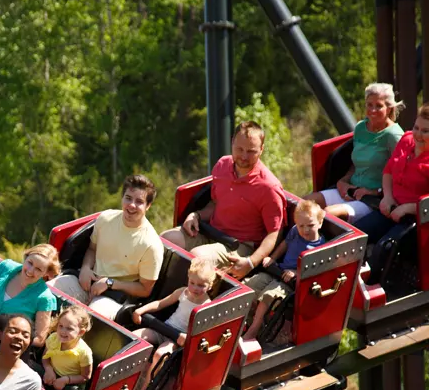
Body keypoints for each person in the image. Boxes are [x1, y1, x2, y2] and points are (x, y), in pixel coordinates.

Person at [161, 121, 288, 281]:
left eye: (251, 151)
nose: (243, 156)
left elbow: (275, 233)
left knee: (197, 259)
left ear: (261, 150)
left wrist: (251, 262)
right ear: (232, 142)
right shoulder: (222, 166)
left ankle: (180, 301)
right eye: (239, 149)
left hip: (239, 246)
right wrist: (196, 215)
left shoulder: (269, 187)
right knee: (165, 240)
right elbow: (215, 204)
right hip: (212, 232)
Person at [50, 175, 164, 320]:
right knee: (47, 292)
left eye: (139, 202)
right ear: (122, 198)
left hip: (115, 296)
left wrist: (110, 283)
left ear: (148, 206)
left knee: (86, 320)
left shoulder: (151, 245)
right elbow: (92, 249)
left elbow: (145, 289)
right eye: (128, 198)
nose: (132, 205)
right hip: (87, 282)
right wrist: (85, 268)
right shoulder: (106, 218)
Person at [353, 104, 429, 249]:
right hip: (392, 207)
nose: (417, 134)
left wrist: (407, 208)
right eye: (416, 128)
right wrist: (387, 197)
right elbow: (388, 171)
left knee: (385, 248)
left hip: (417, 219)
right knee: (356, 235)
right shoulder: (407, 141)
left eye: (425, 131)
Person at [306, 83, 404, 220]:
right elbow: (356, 163)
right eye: (369, 105)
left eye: (378, 106)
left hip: (372, 199)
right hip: (351, 189)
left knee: (326, 215)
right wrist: (343, 181)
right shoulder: (361, 128)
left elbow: (401, 176)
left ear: (389, 109)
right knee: (305, 205)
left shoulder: (394, 136)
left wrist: (374, 192)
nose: (373, 110)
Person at [130, 258, 218, 390]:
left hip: (176, 338)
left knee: (160, 354)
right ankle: (129, 376)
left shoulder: (206, 306)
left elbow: (203, 332)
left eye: (201, 285)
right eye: (192, 283)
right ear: (188, 279)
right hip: (164, 328)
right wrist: (141, 310)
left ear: (210, 286)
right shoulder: (182, 292)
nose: (195, 288)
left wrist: (187, 337)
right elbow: (160, 303)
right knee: (134, 338)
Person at [243, 200, 326, 341]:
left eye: (310, 225)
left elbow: (316, 270)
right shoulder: (295, 232)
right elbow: (285, 244)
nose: (305, 230)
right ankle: (246, 322)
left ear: (320, 222)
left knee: (269, 296)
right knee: (251, 285)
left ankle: (253, 330)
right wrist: (273, 258)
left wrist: (296, 273)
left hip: (289, 283)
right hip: (277, 271)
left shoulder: (320, 247)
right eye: (301, 226)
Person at [0, 244, 60, 348]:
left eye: (38, 269)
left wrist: (7, 336)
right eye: (30, 263)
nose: (30, 271)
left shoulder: (45, 298)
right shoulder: (5, 267)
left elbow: (39, 339)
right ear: (26, 257)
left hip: (5, 348)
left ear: (46, 273)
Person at [42, 306, 94, 390]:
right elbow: (45, 357)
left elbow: (85, 377)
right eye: (60, 326)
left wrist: (66, 380)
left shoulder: (84, 352)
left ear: (81, 332)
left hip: (70, 386)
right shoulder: (53, 338)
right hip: (51, 374)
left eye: (69, 328)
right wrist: (48, 369)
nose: (62, 331)